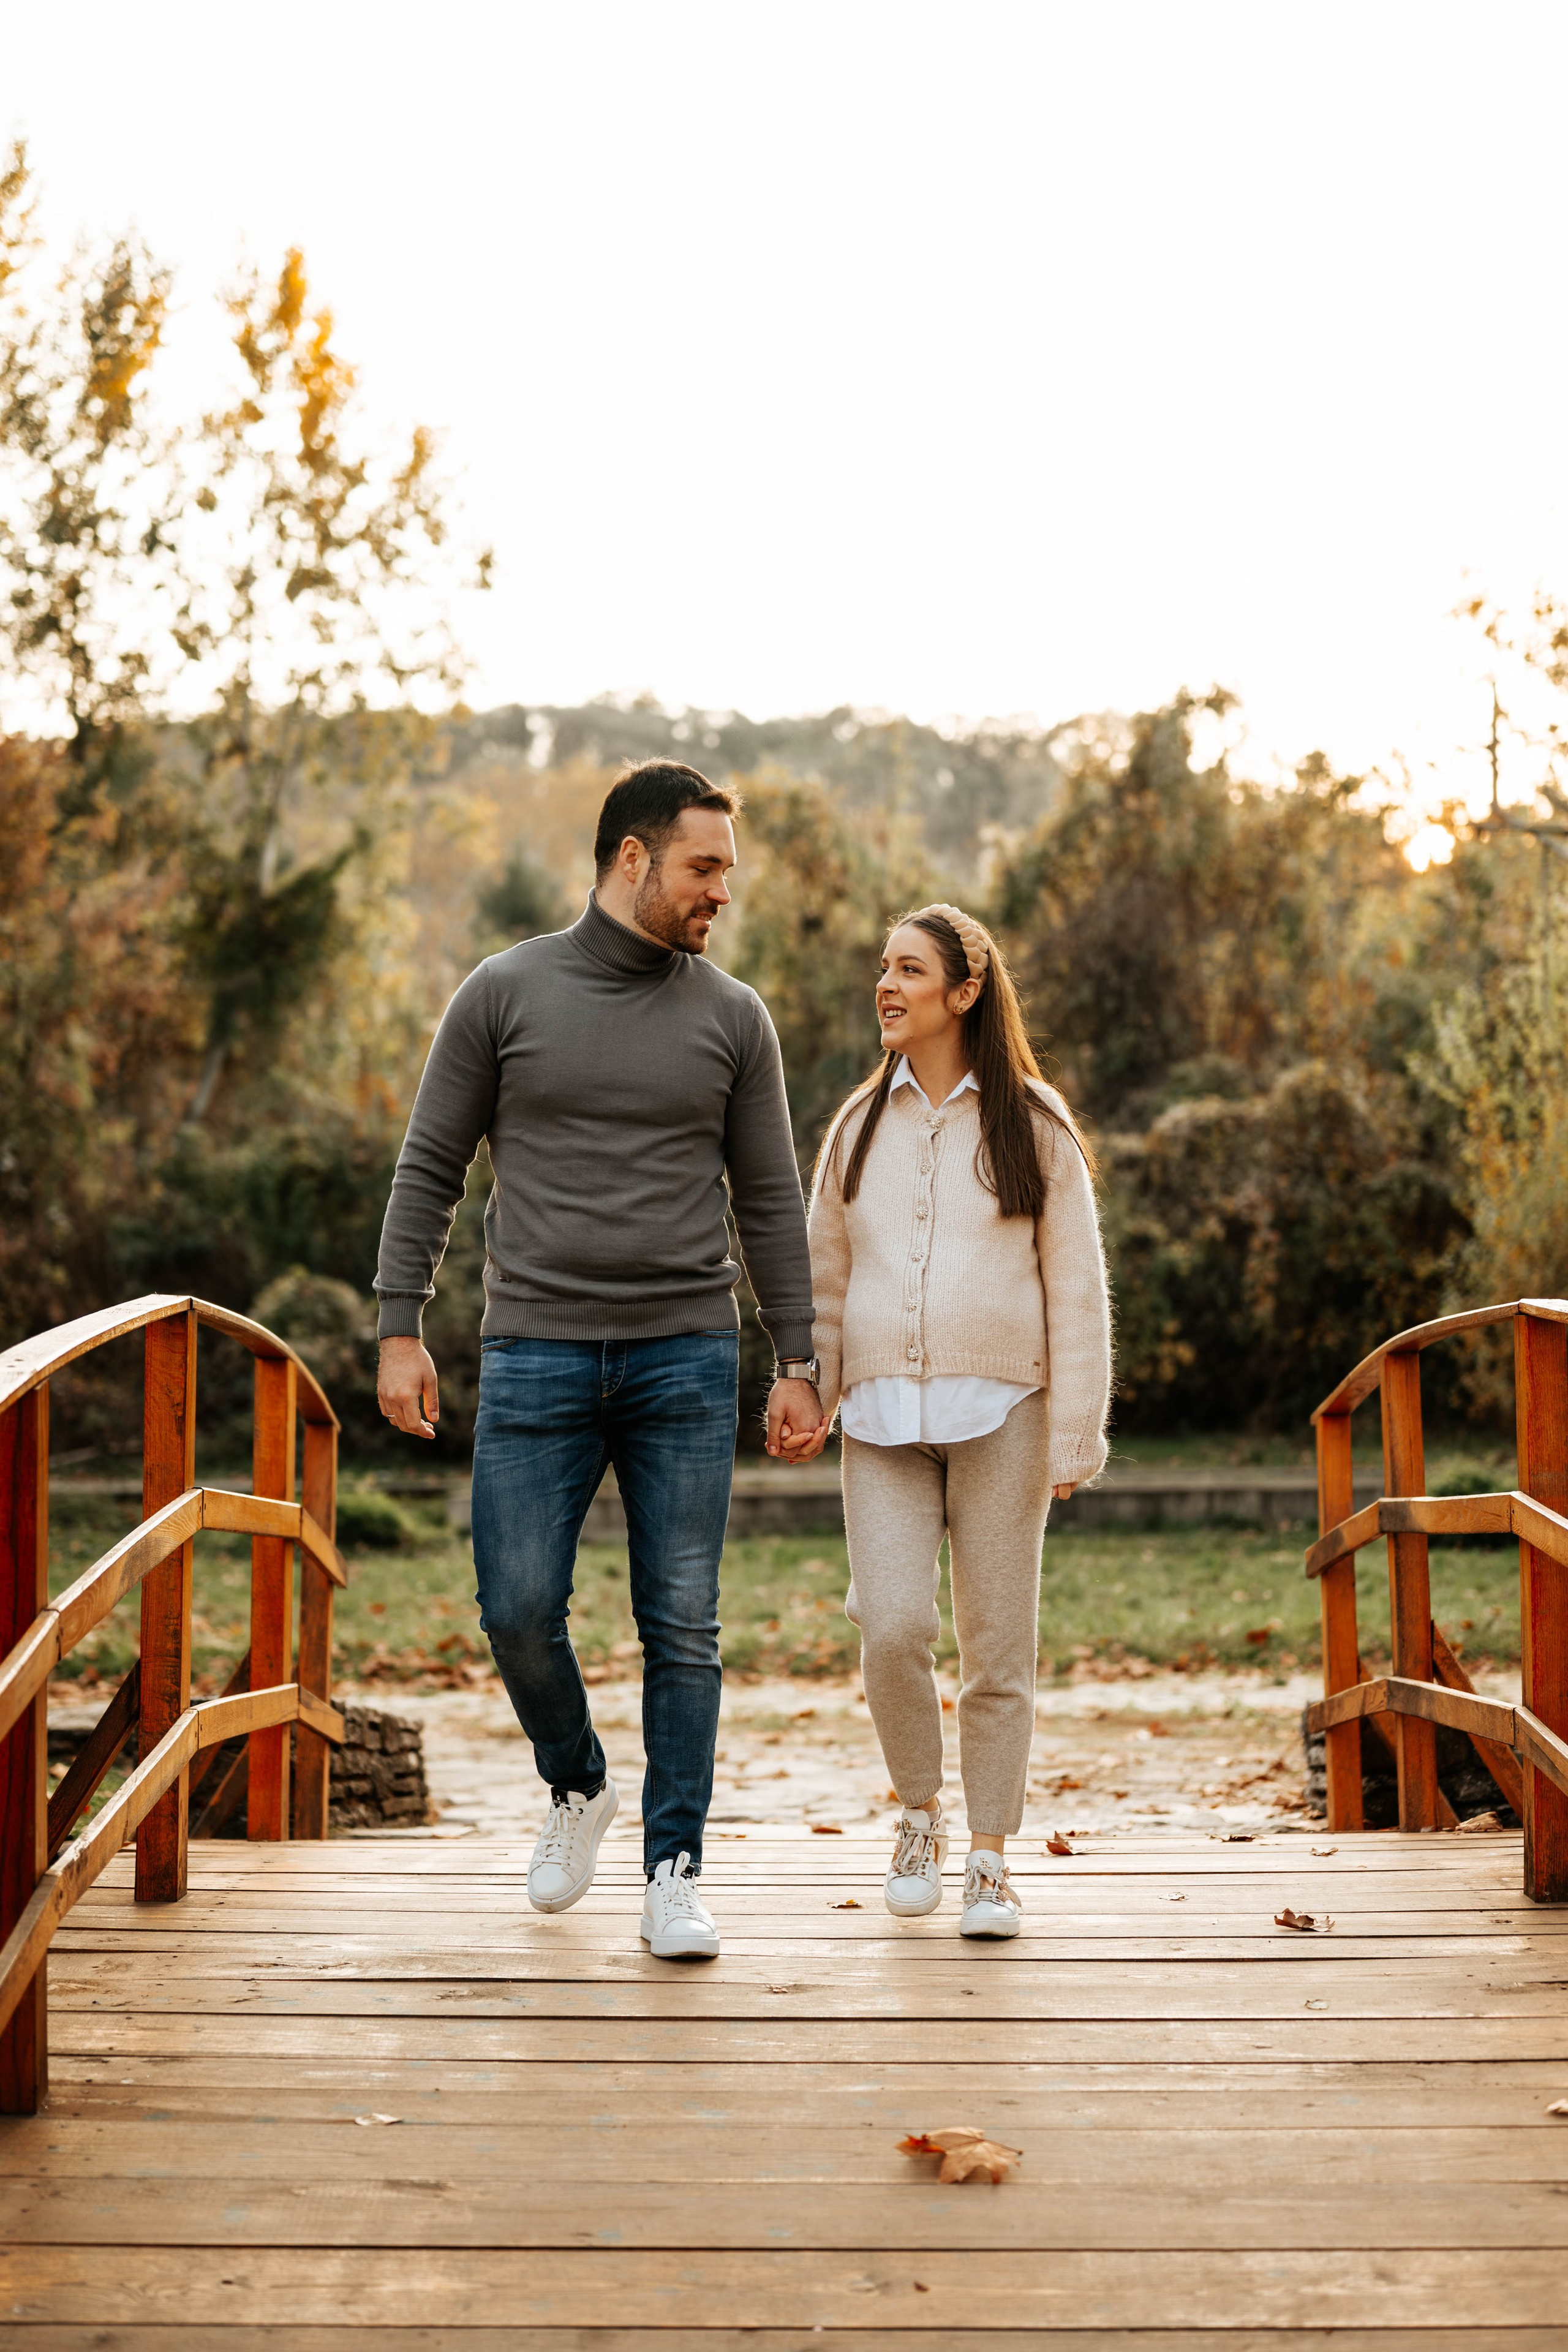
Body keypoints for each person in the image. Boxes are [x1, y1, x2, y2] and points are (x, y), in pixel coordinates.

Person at [374, 762, 824, 1958]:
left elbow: (770, 1200)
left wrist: (799, 1353)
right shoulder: (503, 992)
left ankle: (672, 1871)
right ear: (631, 858)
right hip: (534, 1350)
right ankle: (575, 1785)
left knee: (682, 1622)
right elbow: (429, 1164)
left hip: (685, 1349)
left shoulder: (734, 1018)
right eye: (703, 867)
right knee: (515, 1608)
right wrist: (398, 1325)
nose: (720, 890)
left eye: (724, 869)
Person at [785, 903, 1110, 1937]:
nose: (886, 985)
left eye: (909, 969)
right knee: (891, 1627)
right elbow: (824, 1280)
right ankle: (920, 1816)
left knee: (997, 1646)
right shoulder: (856, 1124)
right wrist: (808, 1381)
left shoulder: (1036, 1123)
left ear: (963, 992)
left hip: (1004, 1414)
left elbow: (1077, 1289)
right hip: (879, 1418)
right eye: (883, 968)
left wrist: (1076, 1431)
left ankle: (989, 1858)